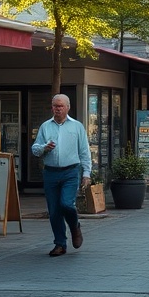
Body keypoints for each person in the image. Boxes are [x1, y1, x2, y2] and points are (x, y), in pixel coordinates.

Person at [30, 94, 92, 257]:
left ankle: (74, 226)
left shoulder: (77, 127)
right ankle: (60, 244)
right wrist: (44, 148)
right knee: (54, 210)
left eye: (60, 106)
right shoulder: (45, 126)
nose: (57, 109)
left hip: (71, 171)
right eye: (55, 106)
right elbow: (35, 149)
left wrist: (86, 173)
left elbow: (84, 151)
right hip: (50, 172)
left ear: (67, 107)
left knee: (66, 204)